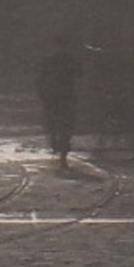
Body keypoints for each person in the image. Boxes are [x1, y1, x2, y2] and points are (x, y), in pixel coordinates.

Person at [35, 35, 82, 170]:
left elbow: (39, 79)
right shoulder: (69, 59)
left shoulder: (48, 60)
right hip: (65, 96)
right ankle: (62, 153)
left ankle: (56, 143)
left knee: (54, 124)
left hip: (53, 97)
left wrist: (42, 94)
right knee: (65, 125)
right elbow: (80, 75)